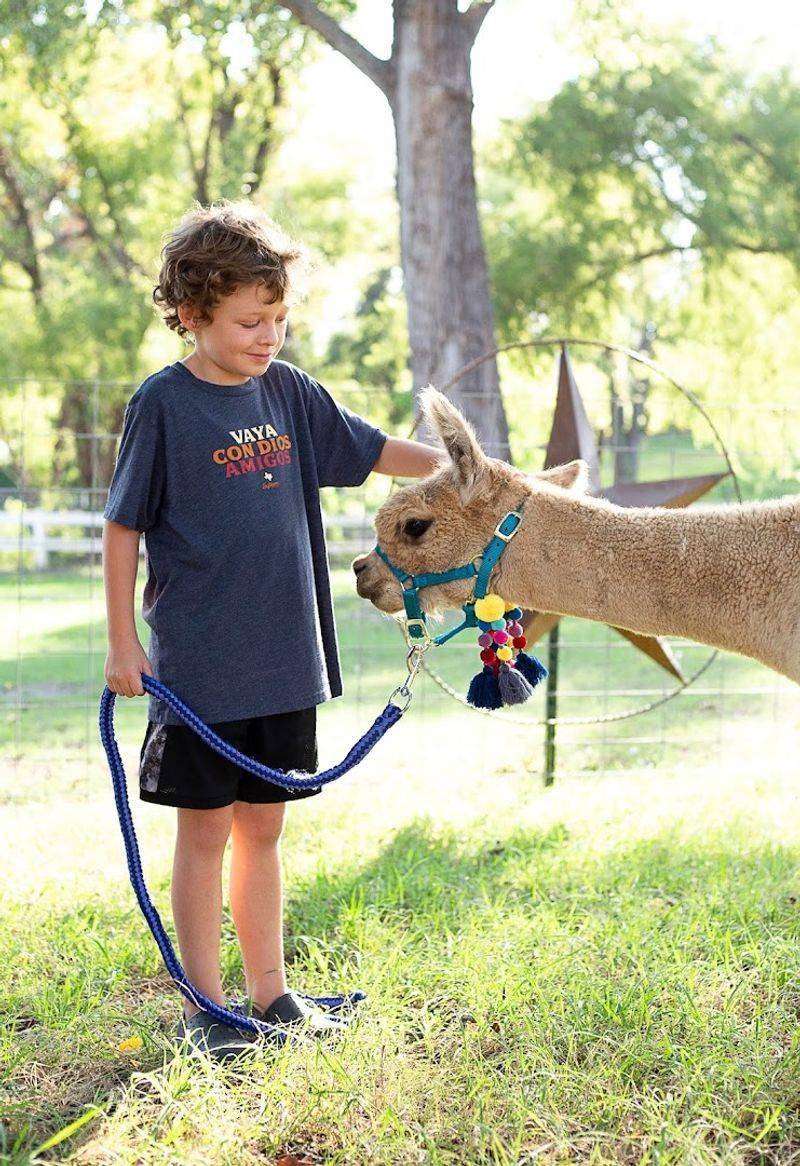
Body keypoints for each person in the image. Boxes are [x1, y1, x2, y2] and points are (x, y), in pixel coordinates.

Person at [102, 199, 445, 1062]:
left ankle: (272, 996)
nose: (268, 336)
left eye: (280, 318)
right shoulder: (164, 405)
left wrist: (468, 472)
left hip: (286, 664)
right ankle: (208, 1010)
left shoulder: (290, 393)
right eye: (250, 320)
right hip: (202, 673)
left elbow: (370, 450)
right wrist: (121, 642)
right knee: (205, 833)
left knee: (264, 831)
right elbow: (122, 528)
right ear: (191, 313)